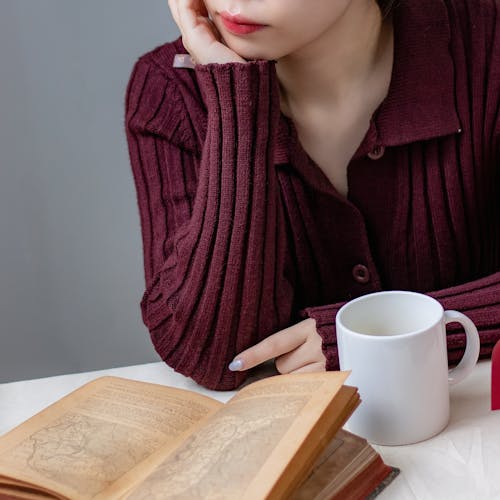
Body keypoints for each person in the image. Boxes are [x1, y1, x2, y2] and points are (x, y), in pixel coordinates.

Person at [125, 0, 500, 390]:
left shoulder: (487, 44)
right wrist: (236, 99)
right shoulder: (170, 91)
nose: (231, 3)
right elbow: (210, 357)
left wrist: (371, 341)